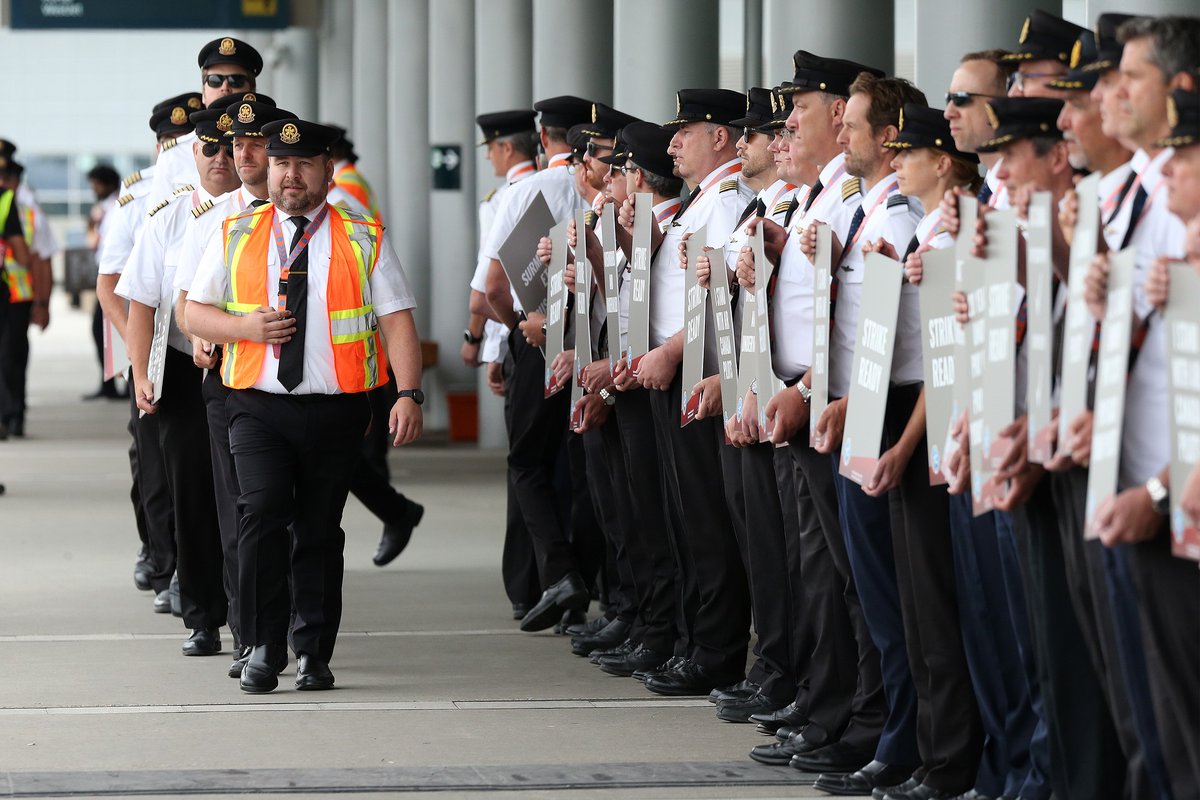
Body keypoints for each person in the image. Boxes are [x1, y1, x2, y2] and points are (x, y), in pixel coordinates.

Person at [186, 117, 424, 693]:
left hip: (336, 409)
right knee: (262, 512)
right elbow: (194, 313)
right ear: (268, 169)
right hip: (255, 403)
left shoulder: (363, 235)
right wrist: (244, 326)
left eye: (303, 164)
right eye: (281, 164)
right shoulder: (236, 231)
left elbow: (396, 321)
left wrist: (409, 393)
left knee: (319, 530)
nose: (291, 175)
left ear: (326, 170)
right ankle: (263, 645)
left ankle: (312, 651)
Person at [173, 96, 293, 677]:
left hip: (312, 392)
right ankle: (253, 636)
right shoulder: (215, 218)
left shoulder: (331, 216)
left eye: (254, 144)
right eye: (234, 145)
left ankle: (299, 629)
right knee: (241, 512)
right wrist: (207, 334)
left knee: (300, 521)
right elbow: (185, 303)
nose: (242, 155)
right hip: (233, 384)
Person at [118, 105, 242, 657]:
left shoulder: (263, 212)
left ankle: (257, 612)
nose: (219, 158)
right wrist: (142, 371)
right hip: (182, 373)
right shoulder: (170, 214)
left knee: (250, 498)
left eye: (228, 148)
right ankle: (202, 615)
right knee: (191, 493)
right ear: (193, 155)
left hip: (249, 366)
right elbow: (141, 298)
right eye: (208, 148)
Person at [480, 95, 595, 633]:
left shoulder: (528, 193)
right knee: (585, 466)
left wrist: (513, 330)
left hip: (538, 339)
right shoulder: (611, 192)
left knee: (528, 463)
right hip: (600, 348)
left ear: (543, 136)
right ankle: (590, 589)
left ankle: (550, 578)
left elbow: (493, 288)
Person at [95, 93, 200, 607]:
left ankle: (188, 570)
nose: (175, 148)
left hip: (199, 348)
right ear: (158, 144)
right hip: (153, 350)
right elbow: (111, 284)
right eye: (168, 140)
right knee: (153, 469)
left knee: (193, 472)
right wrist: (139, 357)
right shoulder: (140, 197)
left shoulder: (213, 186)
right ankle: (163, 562)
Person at [465, 108, 541, 616]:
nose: (490, 157)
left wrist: (486, 345)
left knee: (527, 464)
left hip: (523, 336)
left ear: (506, 149)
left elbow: (491, 291)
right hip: (568, 339)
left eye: (492, 148)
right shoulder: (563, 188)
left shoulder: (509, 199)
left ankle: (527, 584)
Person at [85, 164, 122, 401]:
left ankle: (115, 383)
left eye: (96, 184)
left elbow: (96, 242)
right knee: (101, 331)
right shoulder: (105, 208)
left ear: (108, 184)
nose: (93, 189)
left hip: (115, 280)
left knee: (106, 330)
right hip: (106, 276)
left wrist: (91, 227)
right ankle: (107, 382)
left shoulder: (118, 206)